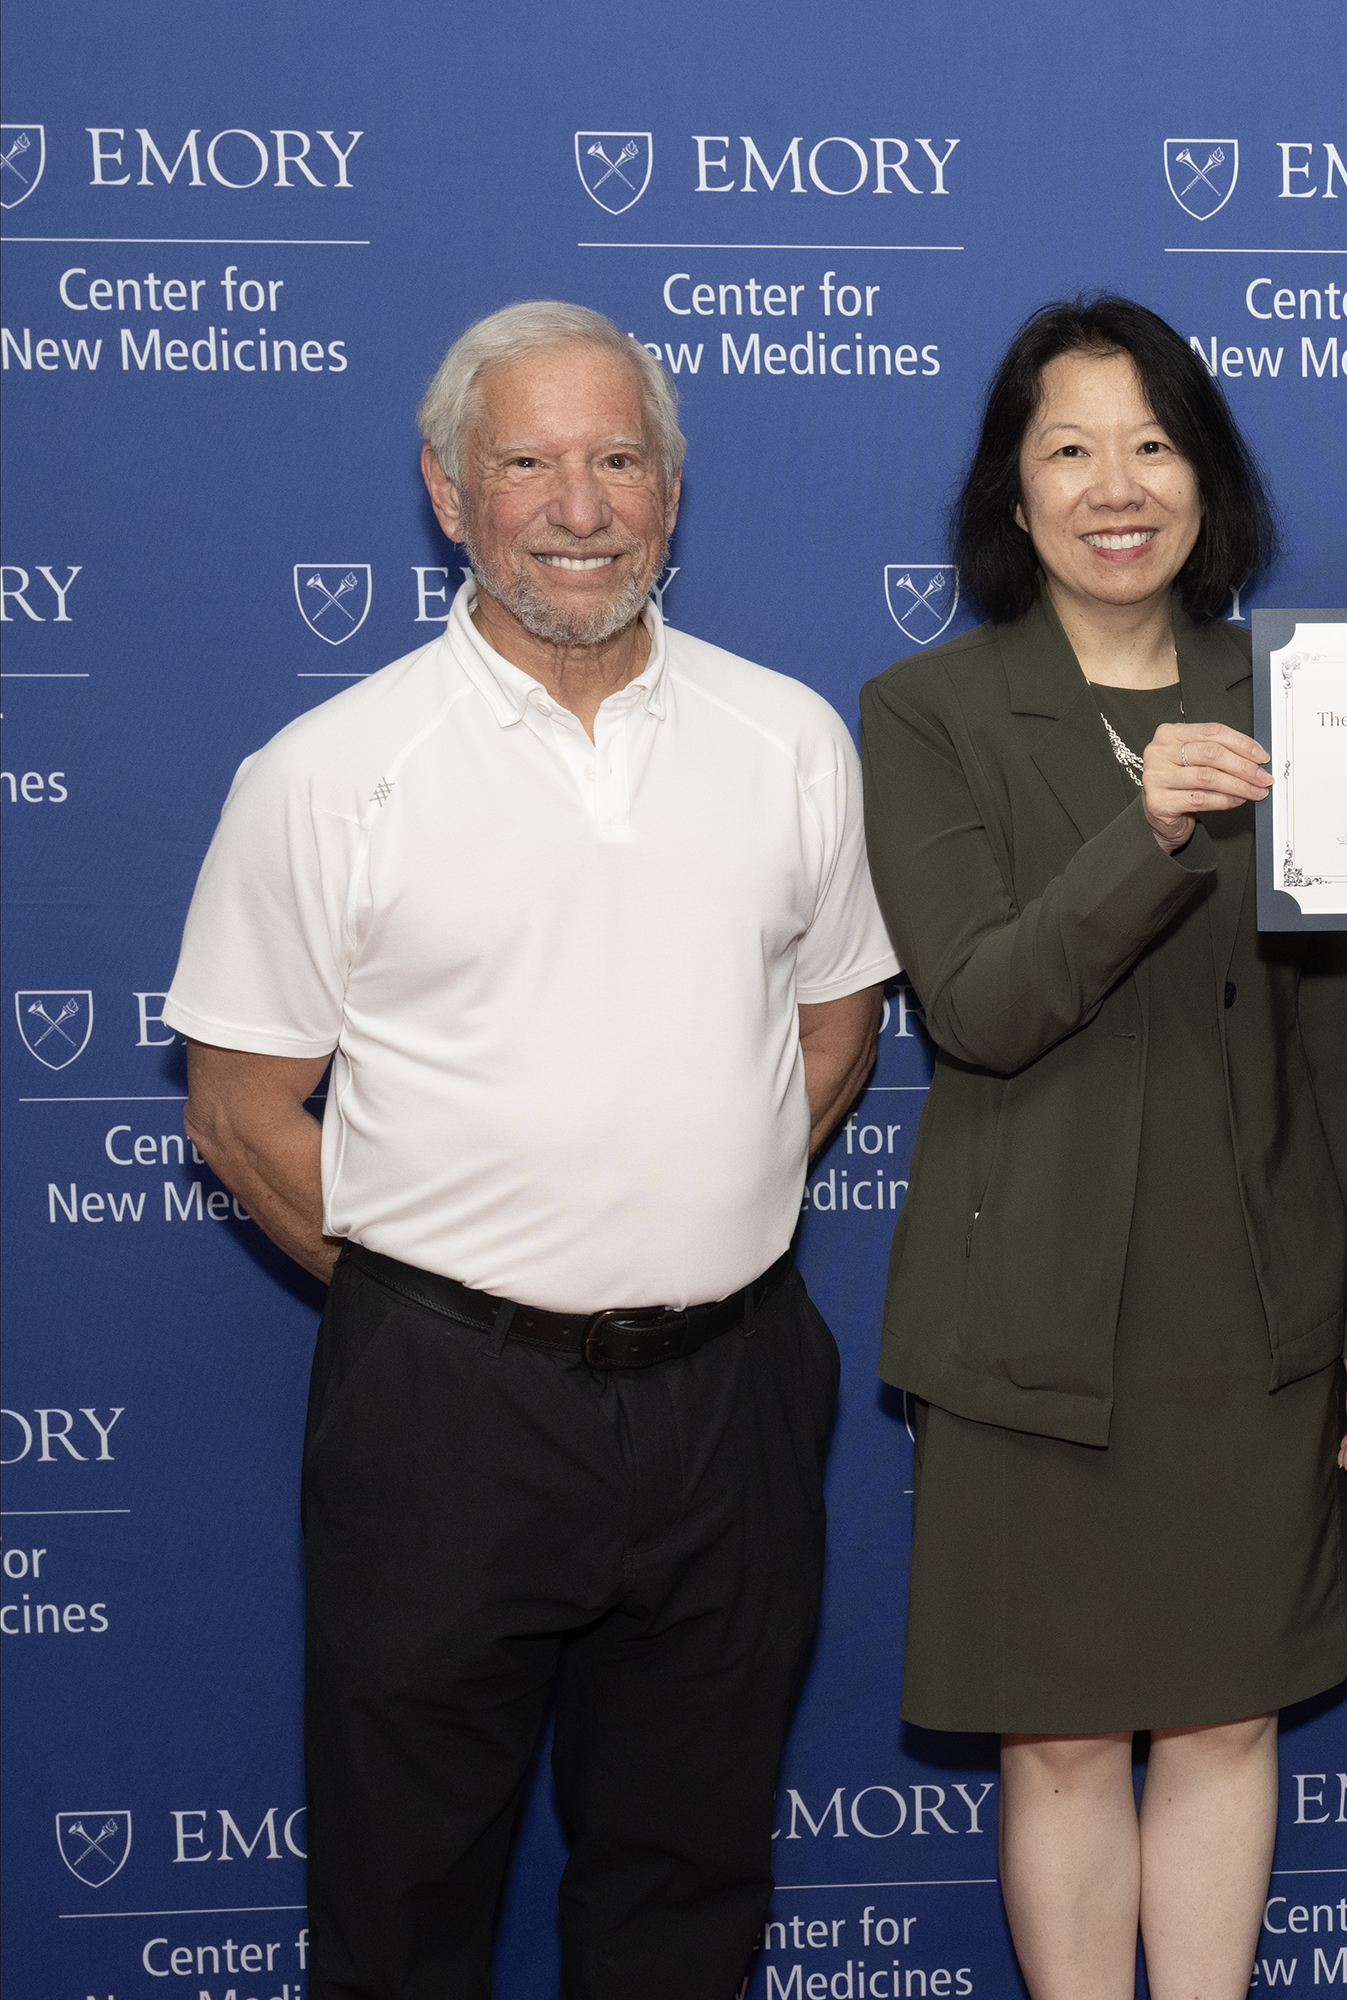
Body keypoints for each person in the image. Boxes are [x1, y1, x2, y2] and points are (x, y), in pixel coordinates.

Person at [164, 299, 898, 1996]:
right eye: (528, 463)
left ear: (672, 489)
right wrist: (460, 1297)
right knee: (403, 1901)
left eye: (619, 459)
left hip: (732, 1400)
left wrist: (688, 1212)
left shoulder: (788, 740)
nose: (580, 507)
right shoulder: (328, 773)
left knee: (689, 1890)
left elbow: (837, 1022)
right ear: (448, 493)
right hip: (444, 1420)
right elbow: (239, 1105)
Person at [858, 294, 1347, 2000]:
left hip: (1247, 1300)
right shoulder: (928, 711)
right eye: (1072, 449)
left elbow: (1341, 1030)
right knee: (1053, 1743)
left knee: (1226, 1718)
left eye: (1157, 443)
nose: (1121, 485)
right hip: (1029, 1312)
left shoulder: (1297, 693)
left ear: (1209, 476)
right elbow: (977, 1000)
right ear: (1012, 494)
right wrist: (1152, 822)